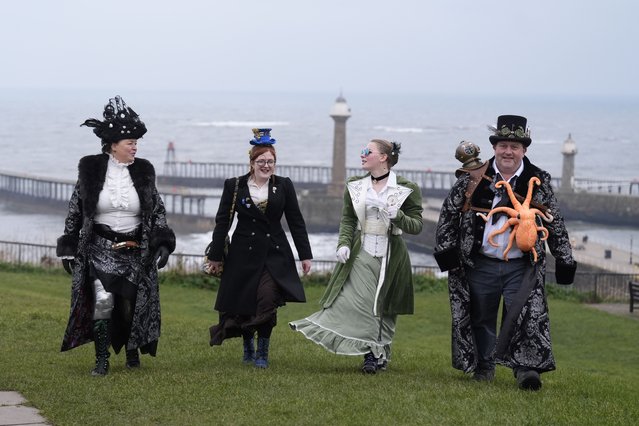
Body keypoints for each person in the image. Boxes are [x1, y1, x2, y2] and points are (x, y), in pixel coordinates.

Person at [434, 115, 577, 390]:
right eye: (503, 145)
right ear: (495, 148)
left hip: (523, 264)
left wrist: (565, 261)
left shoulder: (539, 180)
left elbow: (554, 223)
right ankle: (484, 367)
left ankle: (526, 370)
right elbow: (448, 215)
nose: (508, 151)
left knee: (526, 314)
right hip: (480, 262)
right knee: (480, 317)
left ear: (524, 150)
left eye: (514, 146)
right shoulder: (474, 177)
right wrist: (447, 253)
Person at [56, 96, 175, 376]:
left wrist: (163, 243)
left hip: (136, 251)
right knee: (102, 303)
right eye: (130, 143)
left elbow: (157, 210)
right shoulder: (91, 170)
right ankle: (101, 360)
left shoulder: (144, 171)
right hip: (99, 249)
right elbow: (76, 210)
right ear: (113, 146)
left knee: (129, 304)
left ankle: (132, 349)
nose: (135, 147)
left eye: (136, 143)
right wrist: (69, 247)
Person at [290, 139, 423, 374]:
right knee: (365, 305)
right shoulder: (355, 185)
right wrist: (343, 244)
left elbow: (416, 226)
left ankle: (380, 352)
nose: (362, 155)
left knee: (384, 309)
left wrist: (399, 216)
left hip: (392, 257)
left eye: (367, 151)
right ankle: (370, 355)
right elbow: (348, 219)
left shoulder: (406, 187)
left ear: (383, 157)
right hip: (362, 253)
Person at [205, 128, 313, 368]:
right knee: (245, 303)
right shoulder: (234, 186)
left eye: (271, 161)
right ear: (252, 162)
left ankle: (263, 352)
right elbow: (223, 221)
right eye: (262, 161)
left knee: (267, 300)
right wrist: (215, 257)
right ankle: (248, 347)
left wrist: (305, 255)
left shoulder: (284, 186)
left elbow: (296, 221)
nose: (267, 166)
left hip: (275, 255)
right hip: (242, 255)